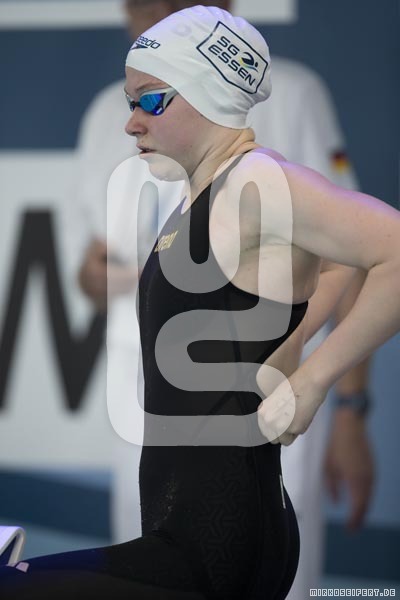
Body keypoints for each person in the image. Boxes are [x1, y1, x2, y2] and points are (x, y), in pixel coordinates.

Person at [1, 6, 399, 600]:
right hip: (195, 533)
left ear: (207, 92)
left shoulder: (258, 183)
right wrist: (287, 338)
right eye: (130, 102)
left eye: (150, 100)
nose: (131, 123)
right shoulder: (208, 192)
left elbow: (391, 249)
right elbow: (338, 262)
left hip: (215, 543)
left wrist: (314, 380)